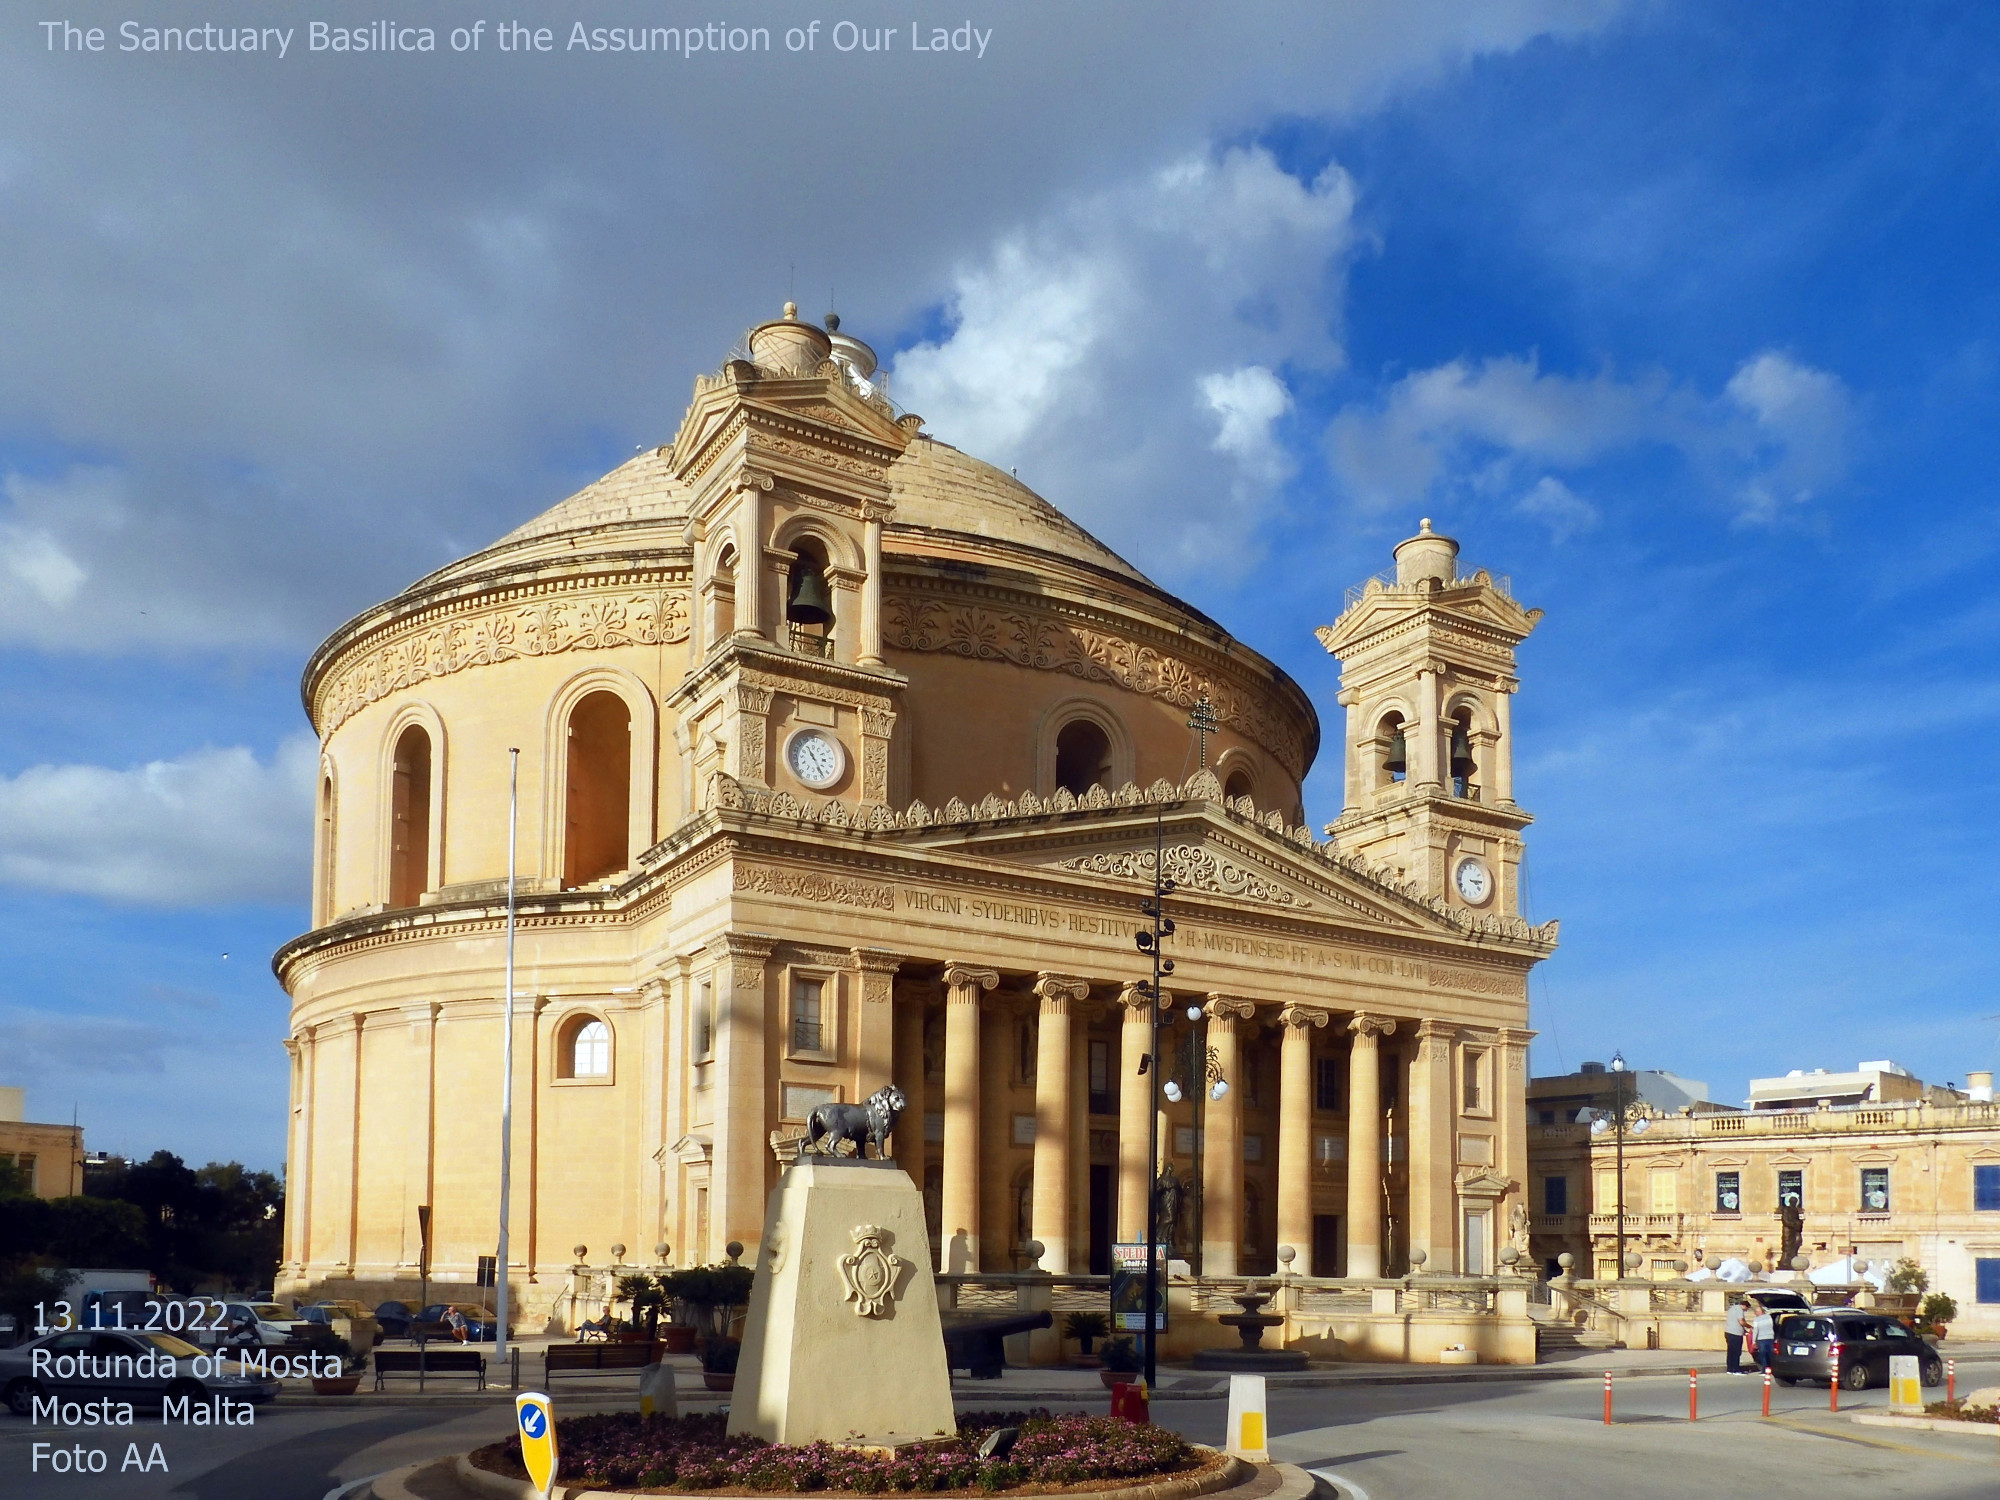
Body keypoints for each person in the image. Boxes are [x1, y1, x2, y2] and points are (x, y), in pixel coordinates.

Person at [1750, 1299, 1776, 1374]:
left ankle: (1764, 1370)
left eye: (1755, 1312)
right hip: (1770, 1337)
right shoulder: (1769, 1317)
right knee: (1770, 1354)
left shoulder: (1756, 1319)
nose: (1755, 1313)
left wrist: (1753, 1341)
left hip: (1761, 1339)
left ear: (1758, 1312)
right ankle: (1771, 1369)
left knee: (1763, 1355)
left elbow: (1756, 1330)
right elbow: (1772, 1326)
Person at [1723, 1297, 1748, 1374]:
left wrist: (1744, 1331)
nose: (1746, 1310)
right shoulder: (1739, 1310)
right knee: (1736, 1352)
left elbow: (1734, 1322)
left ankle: (1730, 1369)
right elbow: (1741, 1322)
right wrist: (1749, 1326)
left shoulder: (1732, 1308)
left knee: (1730, 1352)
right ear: (1744, 1306)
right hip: (1735, 1334)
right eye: (1746, 1309)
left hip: (1728, 1332)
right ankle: (1736, 1369)